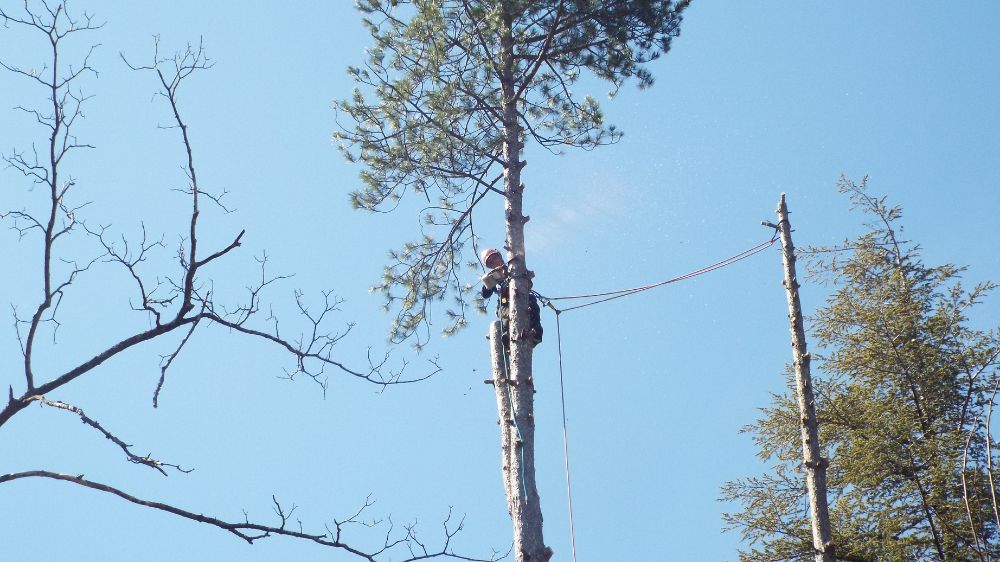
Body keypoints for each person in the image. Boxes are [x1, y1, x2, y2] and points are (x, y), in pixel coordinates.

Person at [479, 247, 543, 346]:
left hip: (522, 296)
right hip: (505, 300)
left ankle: (535, 332)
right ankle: (507, 336)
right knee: (505, 312)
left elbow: (529, 284)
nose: (494, 262)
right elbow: (485, 294)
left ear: (499, 256)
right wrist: (490, 280)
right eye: (491, 263)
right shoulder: (494, 276)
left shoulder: (514, 267)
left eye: (494, 258)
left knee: (532, 301)